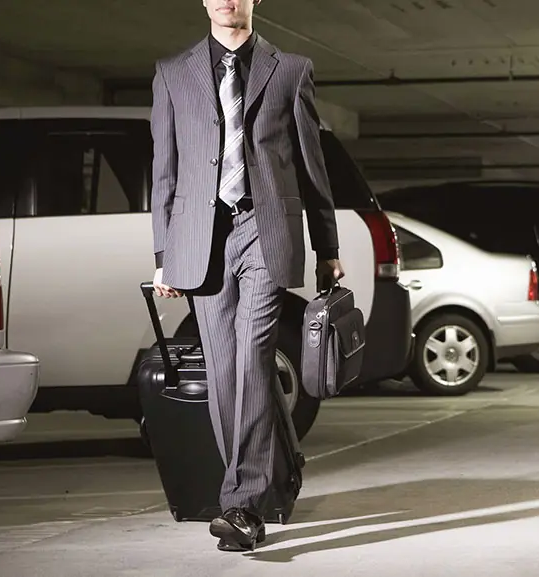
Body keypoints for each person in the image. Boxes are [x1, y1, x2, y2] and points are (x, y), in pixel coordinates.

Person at [150, 0, 344, 552]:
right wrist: (164, 254)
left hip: (265, 230)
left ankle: (242, 505)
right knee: (224, 371)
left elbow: (312, 166)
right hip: (202, 240)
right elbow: (165, 170)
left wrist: (327, 247)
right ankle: (278, 472)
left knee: (254, 358)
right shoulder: (173, 73)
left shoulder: (291, 71)